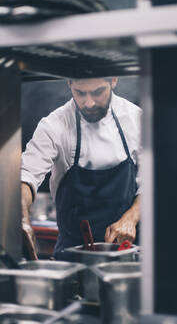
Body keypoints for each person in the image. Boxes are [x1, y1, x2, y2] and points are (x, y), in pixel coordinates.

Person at [21, 77, 141, 260]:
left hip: (126, 255)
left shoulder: (136, 119)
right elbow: (27, 173)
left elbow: (153, 180)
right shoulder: (54, 125)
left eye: (97, 92)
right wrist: (22, 217)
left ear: (114, 81)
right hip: (72, 259)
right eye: (80, 93)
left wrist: (131, 218)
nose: (89, 102)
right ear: (69, 84)